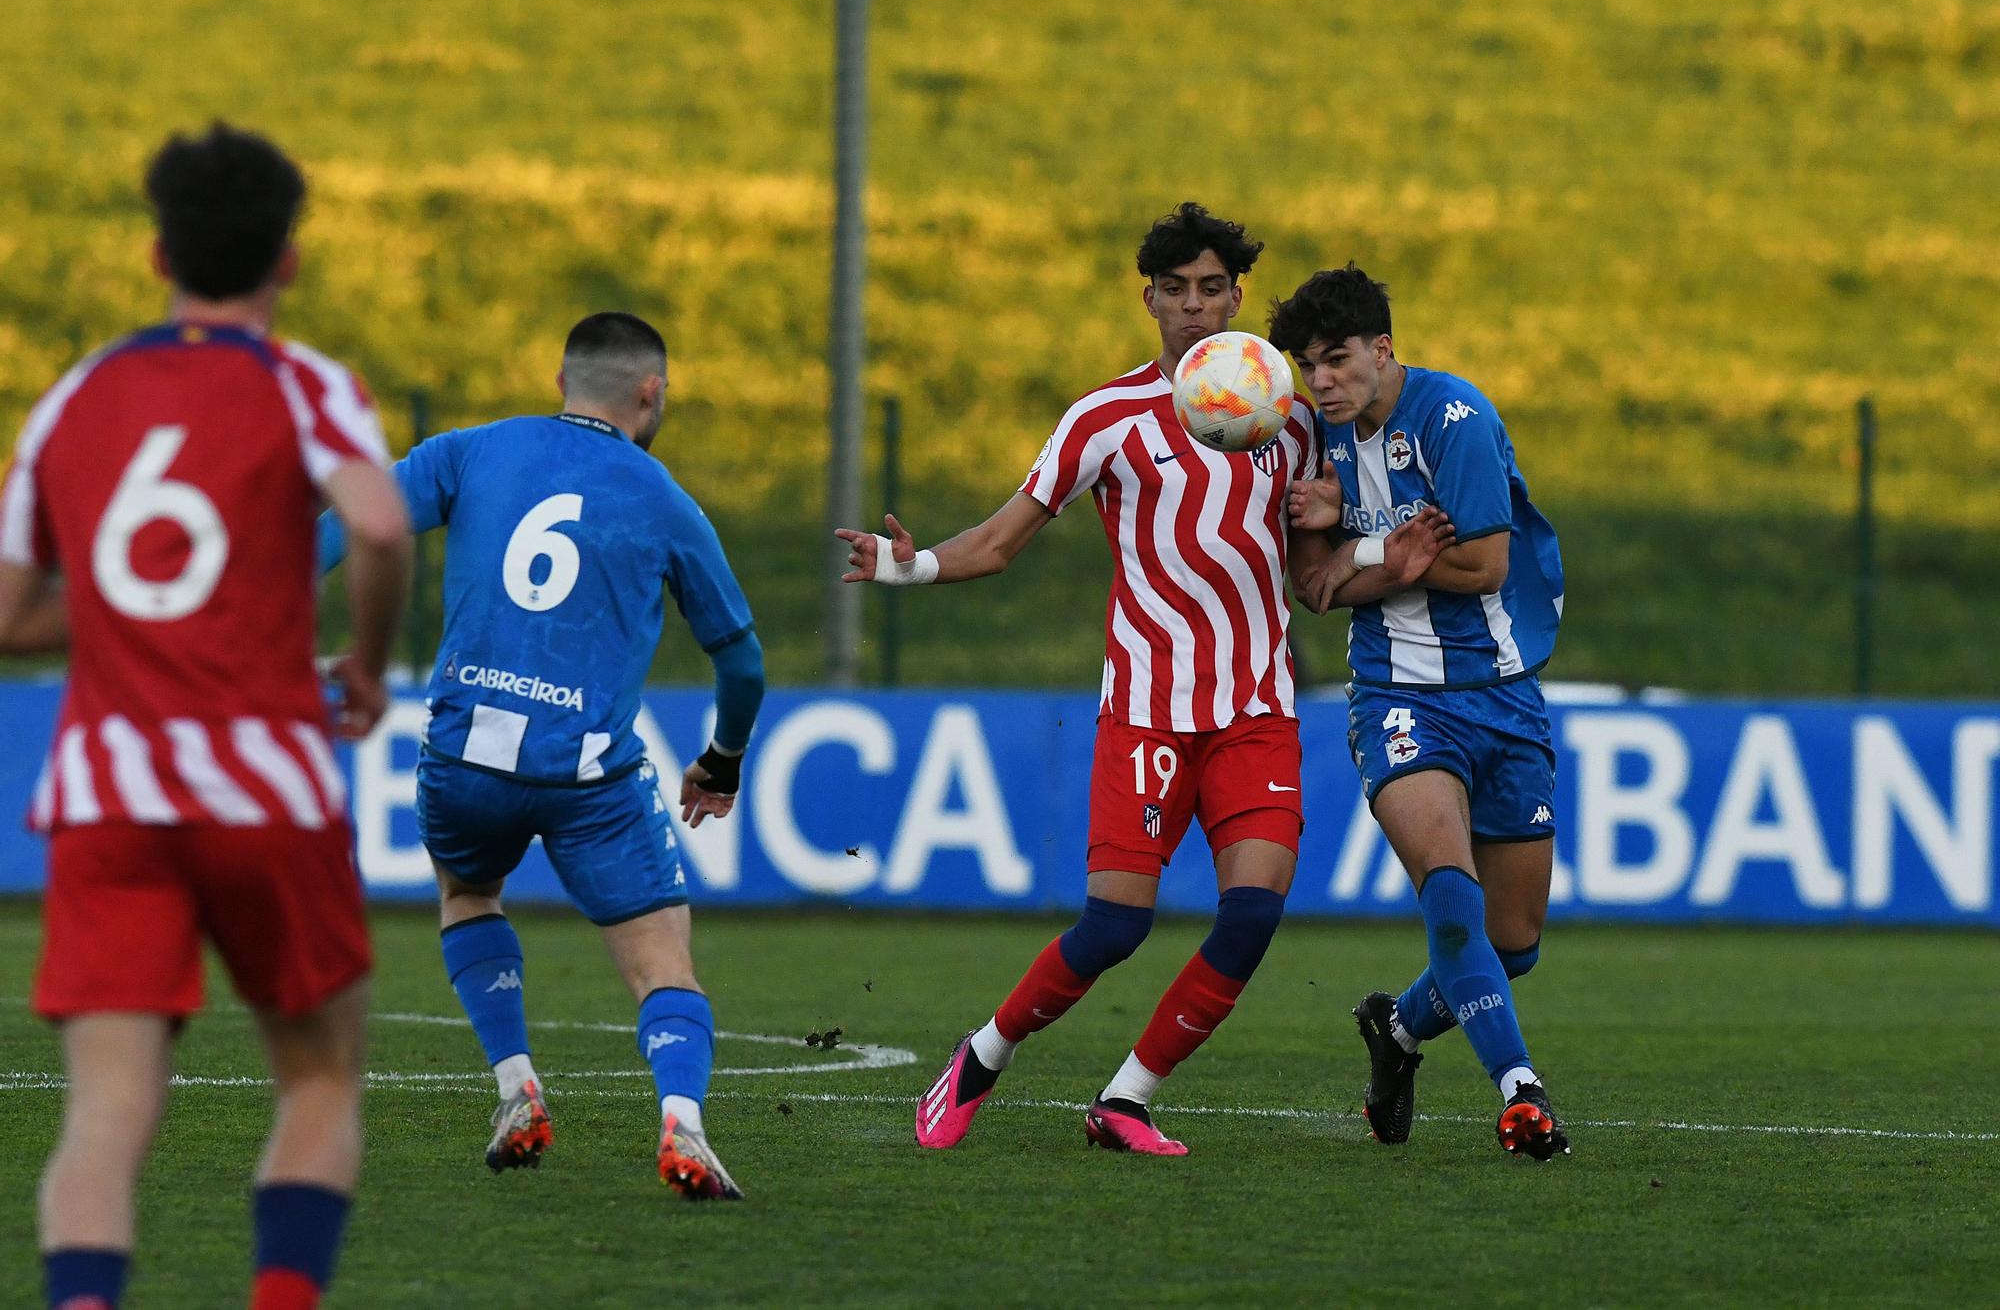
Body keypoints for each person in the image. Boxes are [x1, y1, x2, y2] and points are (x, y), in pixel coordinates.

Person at [836, 203, 1449, 1156]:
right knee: (1113, 927)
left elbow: (1314, 583)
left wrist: (1382, 555)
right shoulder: (1107, 417)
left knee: (1251, 914)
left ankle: (1126, 1097)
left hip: (1254, 709)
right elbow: (1000, 542)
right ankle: (982, 1056)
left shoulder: (1291, 417)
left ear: (1238, 297)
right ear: (1149, 300)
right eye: (1176, 291)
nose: (1195, 309)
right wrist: (905, 566)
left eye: (1213, 290)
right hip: (1148, 717)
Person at [0, 123, 410, 1310]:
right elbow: (379, 525)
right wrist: (369, 664)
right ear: (287, 259)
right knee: (320, 1078)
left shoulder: (75, 395)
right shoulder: (302, 382)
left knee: (107, 1110)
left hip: (107, 794)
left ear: (154, 253)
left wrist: (140, 620)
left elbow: (12, 609)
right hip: (263, 785)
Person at [317, 311, 764, 1199]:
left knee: (468, 893)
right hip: (588, 780)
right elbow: (741, 661)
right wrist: (720, 761)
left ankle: (517, 1086)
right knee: (662, 966)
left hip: (463, 763)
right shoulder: (665, 500)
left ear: (562, 380)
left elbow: (356, 525)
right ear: (651, 392)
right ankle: (684, 1123)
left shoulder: (469, 451)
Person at [1272, 263, 1570, 1159]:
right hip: (1399, 696)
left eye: (1337, 360)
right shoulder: (1319, 445)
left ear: (1383, 349)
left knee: (1512, 945)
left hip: (1504, 694)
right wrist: (1375, 552)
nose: (1321, 381)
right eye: (1308, 366)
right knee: (1451, 900)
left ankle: (1396, 1031)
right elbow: (1318, 588)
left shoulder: (1456, 421)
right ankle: (1520, 1093)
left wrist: (1376, 546)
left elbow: (1481, 567)